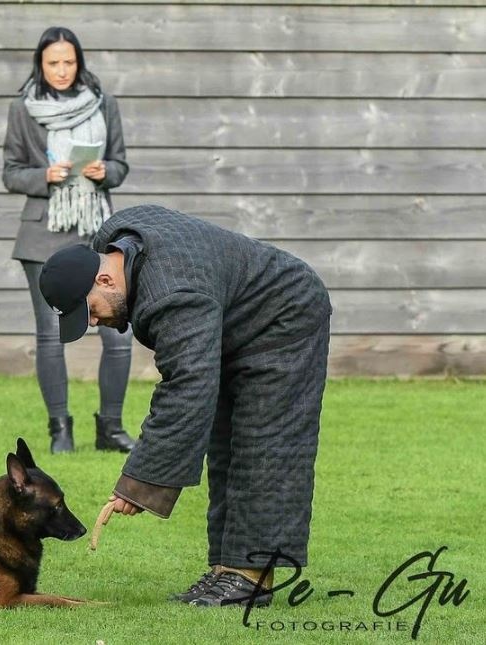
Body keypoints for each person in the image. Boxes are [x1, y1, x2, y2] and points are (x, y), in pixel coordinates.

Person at [39, 204, 332, 607]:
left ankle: (251, 578)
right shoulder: (117, 242)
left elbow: (187, 386)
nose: (91, 323)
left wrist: (137, 485)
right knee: (226, 444)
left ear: (105, 277)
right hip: (233, 313)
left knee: (265, 443)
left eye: (89, 310)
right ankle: (227, 570)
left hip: (285, 313)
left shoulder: (172, 293)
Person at [2, 26, 135, 455]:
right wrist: (45, 176)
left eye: (69, 62)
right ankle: (61, 431)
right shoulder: (23, 109)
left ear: (80, 63)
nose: (62, 70)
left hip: (98, 232)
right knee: (51, 333)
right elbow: (10, 172)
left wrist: (104, 172)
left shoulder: (104, 104)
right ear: (40, 65)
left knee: (118, 332)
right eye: (53, 63)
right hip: (43, 234)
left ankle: (111, 428)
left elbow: (120, 164)